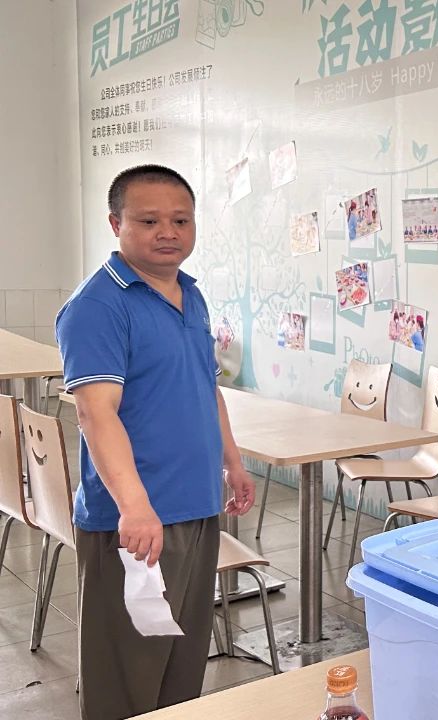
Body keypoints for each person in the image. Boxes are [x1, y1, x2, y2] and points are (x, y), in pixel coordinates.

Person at [56, 165, 256, 720]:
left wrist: (232, 462)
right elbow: (96, 414)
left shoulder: (191, 294)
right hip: (136, 521)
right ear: (115, 223)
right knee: (126, 677)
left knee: (181, 666)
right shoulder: (98, 306)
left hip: (196, 507)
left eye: (180, 220)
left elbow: (206, 387)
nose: (167, 232)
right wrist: (135, 505)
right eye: (148, 221)